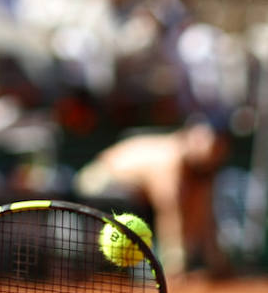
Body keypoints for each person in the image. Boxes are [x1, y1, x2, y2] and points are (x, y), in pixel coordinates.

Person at [74, 119, 232, 279]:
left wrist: (216, 261)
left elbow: (204, 214)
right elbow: (170, 213)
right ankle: (113, 270)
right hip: (99, 178)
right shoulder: (169, 161)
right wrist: (176, 265)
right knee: (130, 206)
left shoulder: (198, 168)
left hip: (130, 191)